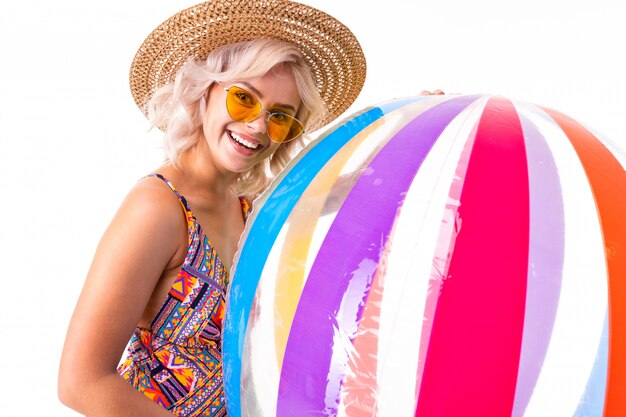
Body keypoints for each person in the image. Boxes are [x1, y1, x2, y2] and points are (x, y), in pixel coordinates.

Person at [57, 1, 366, 416]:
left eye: (279, 117)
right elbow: (81, 383)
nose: (258, 126)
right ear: (203, 91)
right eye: (243, 99)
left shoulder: (246, 208)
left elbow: (329, 192)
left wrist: (410, 123)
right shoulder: (158, 208)